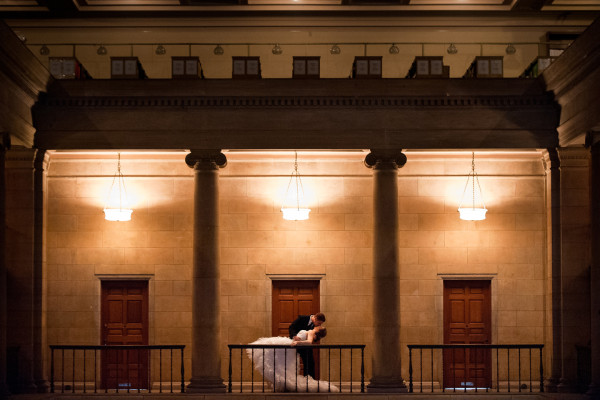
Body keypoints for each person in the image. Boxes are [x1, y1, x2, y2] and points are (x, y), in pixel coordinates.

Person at [246, 324, 337, 393]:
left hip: (291, 344)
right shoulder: (311, 331)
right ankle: (281, 382)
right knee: (278, 362)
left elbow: (309, 342)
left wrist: (298, 343)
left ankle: (282, 382)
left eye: (319, 327)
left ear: (318, 330)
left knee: (275, 358)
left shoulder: (311, 332)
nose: (318, 326)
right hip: (290, 344)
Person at [288, 313, 326, 379]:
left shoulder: (315, 328)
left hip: (305, 345)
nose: (319, 325)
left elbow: (313, 339)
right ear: (315, 318)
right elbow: (292, 327)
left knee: (310, 363)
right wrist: (294, 336)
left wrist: (315, 336)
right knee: (290, 363)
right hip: (295, 343)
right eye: (319, 323)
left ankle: (309, 381)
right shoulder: (302, 318)